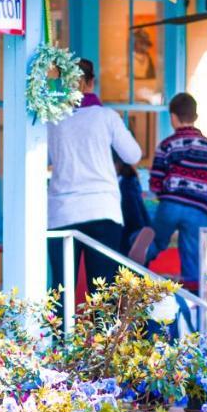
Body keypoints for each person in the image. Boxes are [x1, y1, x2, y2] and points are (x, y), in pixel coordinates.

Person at [47, 58, 143, 295]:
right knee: (102, 291)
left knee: (61, 289)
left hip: (63, 211)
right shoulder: (107, 117)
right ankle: (103, 333)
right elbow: (133, 155)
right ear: (92, 83)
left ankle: (58, 334)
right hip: (102, 209)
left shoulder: (53, 119)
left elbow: (40, 160)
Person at [147, 92, 207, 289]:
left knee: (155, 242)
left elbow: (155, 184)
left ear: (173, 117)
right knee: (193, 257)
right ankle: (194, 307)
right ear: (195, 117)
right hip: (199, 209)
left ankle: (134, 270)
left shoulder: (166, 145)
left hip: (171, 205)